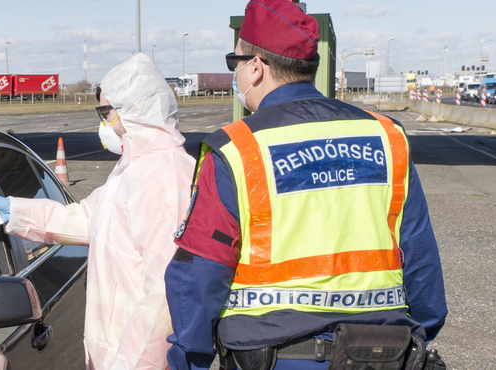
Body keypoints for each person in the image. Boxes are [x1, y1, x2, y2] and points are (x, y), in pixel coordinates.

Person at [164, 1, 448, 369]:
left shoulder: (238, 149)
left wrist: (188, 358)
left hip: (273, 355)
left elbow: (200, 271)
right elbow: (419, 258)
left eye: (235, 64)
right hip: (380, 353)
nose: (236, 76)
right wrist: (415, 338)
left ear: (255, 66)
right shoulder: (387, 137)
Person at [0, 53, 195, 370]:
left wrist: (130, 364)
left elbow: (165, 295)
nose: (103, 123)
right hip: (115, 353)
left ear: (134, 109)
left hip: (136, 360)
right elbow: (89, 218)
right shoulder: (135, 168)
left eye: (106, 112)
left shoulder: (166, 177)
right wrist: (15, 212)